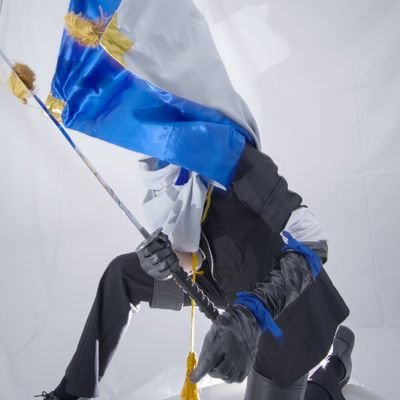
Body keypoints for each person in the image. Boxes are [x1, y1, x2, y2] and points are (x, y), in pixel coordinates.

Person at [36, 144, 353, 400]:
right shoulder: (162, 168)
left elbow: (312, 241)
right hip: (220, 286)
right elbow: (195, 257)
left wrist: (250, 317)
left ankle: (332, 370)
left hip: (285, 312)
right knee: (124, 273)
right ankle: (72, 391)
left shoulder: (236, 160)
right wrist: (161, 262)